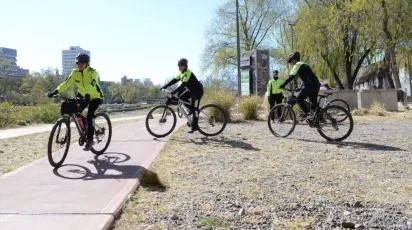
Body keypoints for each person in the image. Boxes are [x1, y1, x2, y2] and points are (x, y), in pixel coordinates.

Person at [47, 53, 104, 150]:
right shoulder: (75, 73)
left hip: (95, 96)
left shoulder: (93, 72)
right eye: (78, 62)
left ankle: (90, 140)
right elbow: (66, 83)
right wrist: (56, 91)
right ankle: (85, 129)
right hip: (82, 95)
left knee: (90, 115)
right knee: (76, 110)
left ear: (87, 63)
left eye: (81, 62)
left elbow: (92, 84)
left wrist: (87, 93)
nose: (79, 64)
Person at [161, 58, 204, 133]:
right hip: (191, 91)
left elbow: (182, 85)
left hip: (198, 91)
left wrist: (173, 92)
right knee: (181, 97)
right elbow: (173, 81)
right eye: (179, 66)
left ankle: (195, 126)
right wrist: (164, 86)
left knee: (194, 109)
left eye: (181, 65)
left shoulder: (188, 72)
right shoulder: (181, 73)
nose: (180, 67)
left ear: (185, 66)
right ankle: (191, 111)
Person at [280, 51, 321, 118]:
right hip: (316, 85)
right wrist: (300, 87)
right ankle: (320, 119)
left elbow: (291, 76)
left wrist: (283, 85)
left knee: (299, 99)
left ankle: (308, 115)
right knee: (313, 104)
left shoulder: (297, 65)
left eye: (291, 62)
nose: (291, 64)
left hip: (310, 85)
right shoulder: (304, 64)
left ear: (293, 60)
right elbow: (307, 77)